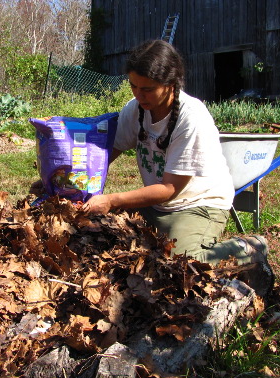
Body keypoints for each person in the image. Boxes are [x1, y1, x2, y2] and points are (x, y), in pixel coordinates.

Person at [80, 39, 268, 265]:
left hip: (198, 204)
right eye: (133, 86)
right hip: (155, 205)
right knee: (104, 235)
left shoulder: (191, 118)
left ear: (170, 84)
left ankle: (245, 248)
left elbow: (170, 188)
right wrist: (69, 180)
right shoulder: (135, 109)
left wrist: (112, 200)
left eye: (147, 89)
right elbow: (108, 153)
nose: (139, 96)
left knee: (182, 264)